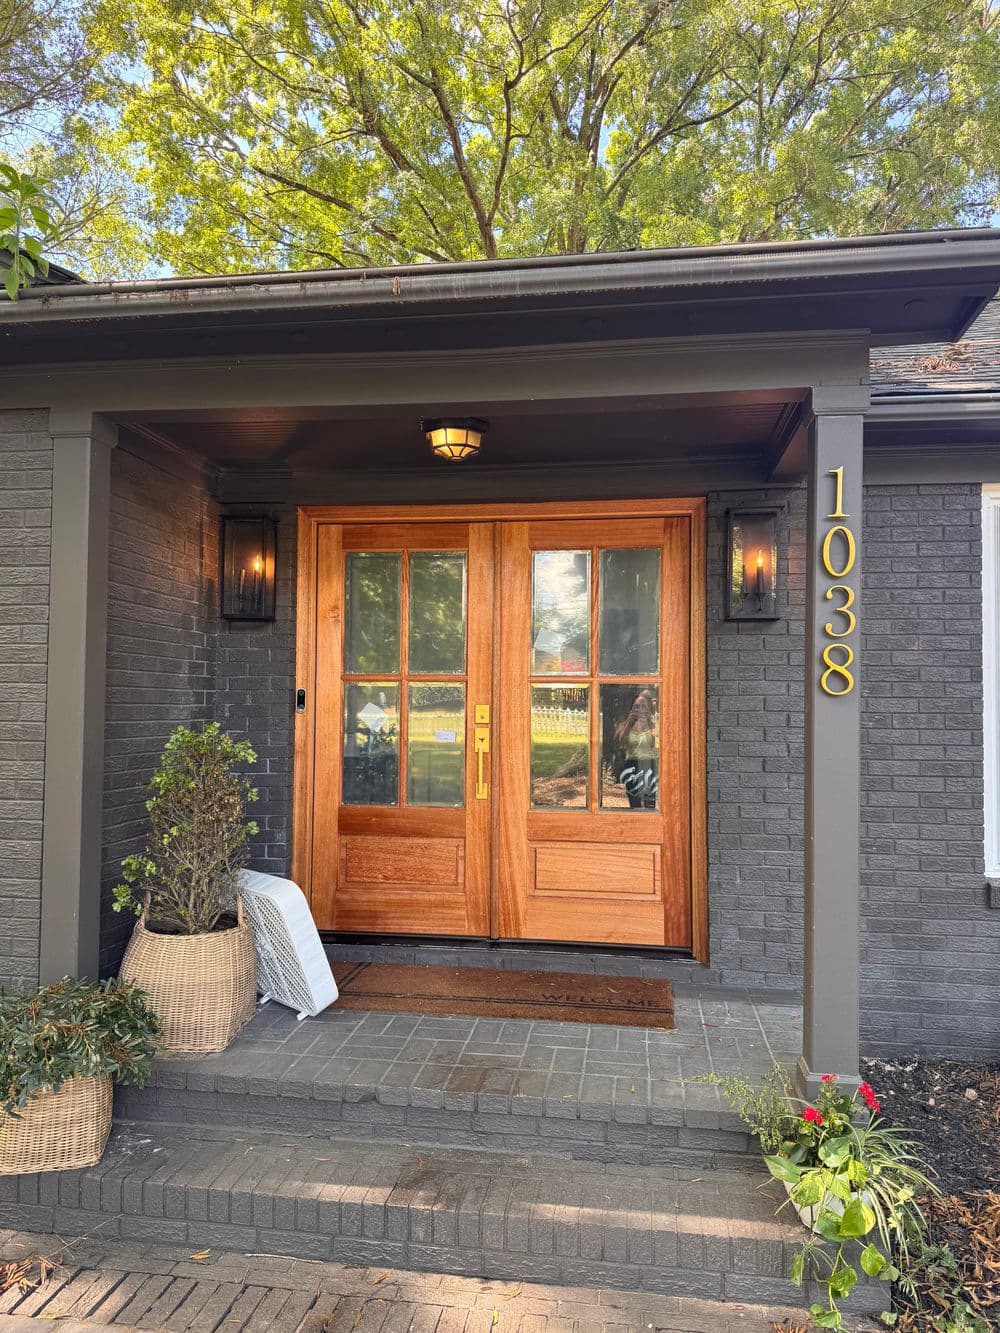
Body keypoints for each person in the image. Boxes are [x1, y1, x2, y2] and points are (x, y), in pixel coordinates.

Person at [616, 688, 657, 809]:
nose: (639, 709)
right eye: (637, 706)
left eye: (643, 706)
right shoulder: (626, 725)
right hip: (631, 765)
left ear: (649, 708)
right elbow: (620, 742)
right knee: (634, 803)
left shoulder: (654, 725)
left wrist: (650, 722)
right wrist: (630, 722)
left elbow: (659, 742)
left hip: (649, 764)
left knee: (650, 802)